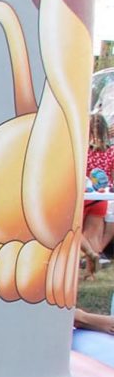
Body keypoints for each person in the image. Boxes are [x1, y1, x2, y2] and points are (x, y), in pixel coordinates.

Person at [81, 112, 114, 274]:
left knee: (75, 232)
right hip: (103, 197)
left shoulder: (83, 151)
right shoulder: (111, 152)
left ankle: (88, 254)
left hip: (84, 194)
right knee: (93, 235)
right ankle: (91, 272)